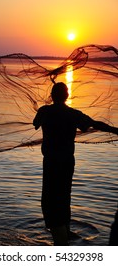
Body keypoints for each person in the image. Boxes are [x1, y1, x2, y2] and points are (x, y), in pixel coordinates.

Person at [33, 82, 118, 246]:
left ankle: (59, 236)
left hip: (50, 162)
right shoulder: (73, 114)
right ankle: (65, 231)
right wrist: (116, 131)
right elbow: (95, 124)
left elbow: (36, 124)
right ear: (67, 96)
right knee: (64, 196)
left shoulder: (45, 111)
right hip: (66, 162)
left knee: (50, 198)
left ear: (52, 95)